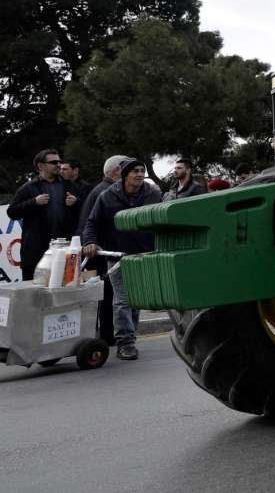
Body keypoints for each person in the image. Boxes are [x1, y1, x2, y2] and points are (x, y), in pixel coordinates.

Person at [83, 158, 160, 360]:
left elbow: (162, 221)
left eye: (142, 170)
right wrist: (90, 242)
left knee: (136, 300)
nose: (139, 174)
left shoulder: (153, 194)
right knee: (123, 300)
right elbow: (92, 222)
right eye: (135, 171)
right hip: (118, 256)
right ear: (125, 174)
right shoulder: (107, 196)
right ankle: (125, 342)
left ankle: (129, 336)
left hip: (145, 255)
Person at [6, 148, 79, 280]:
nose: (58, 165)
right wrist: (33, 202)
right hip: (36, 253)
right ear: (40, 166)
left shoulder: (70, 185)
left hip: (64, 252)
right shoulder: (28, 188)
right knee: (35, 296)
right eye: (53, 162)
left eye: (59, 161)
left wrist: (76, 203)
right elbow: (12, 212)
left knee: (63, 296)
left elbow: (85, 213)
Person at [78, 155, 128, 343]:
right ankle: (108, 336)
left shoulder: (100, 189)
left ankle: (107, 335)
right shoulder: (107, 192)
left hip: (96, 252)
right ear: (117, 172)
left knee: (104, 295)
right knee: (107, 295)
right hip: (101, 253)